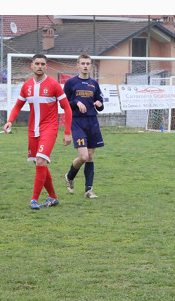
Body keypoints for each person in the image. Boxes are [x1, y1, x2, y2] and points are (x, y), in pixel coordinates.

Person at [3, 54, 72, 210]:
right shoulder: (26, 86)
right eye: (37, 63)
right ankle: (53, 197)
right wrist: (10, 121)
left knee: (41, 161)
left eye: (42, 64)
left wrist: (67, 132)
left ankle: (34, 199)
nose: (40, 66)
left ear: (46, 66)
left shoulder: (54, 85)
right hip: (33, 130)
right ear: (32, 65)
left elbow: (67, 108)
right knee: (38, 164)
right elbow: (18, 106)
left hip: (50, 128)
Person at [63, 54, 105, 199]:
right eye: (83, 63)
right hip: (77, 122)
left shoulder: (94, 83)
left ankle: (89, 190)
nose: (85, 66)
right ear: (78, 65)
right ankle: (69, 176)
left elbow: (100, 102)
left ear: (91, 66)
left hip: (92, 122)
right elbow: (64, 103)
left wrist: (100, 104)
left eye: (88, 63)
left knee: (90, 156)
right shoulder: (70, 83)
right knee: (84, 156)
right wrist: (76, 103)